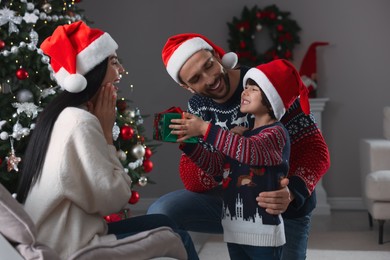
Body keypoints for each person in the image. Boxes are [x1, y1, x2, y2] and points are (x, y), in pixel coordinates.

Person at [16, 22, 198, 260]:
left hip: (63, 238)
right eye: (113, 62)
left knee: (162, 221)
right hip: (71, 248)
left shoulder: (63, 115)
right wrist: (105, 133)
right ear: (94, 71)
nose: (120, 70)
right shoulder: (80, 121)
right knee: (179, 238)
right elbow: (114, 199)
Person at [147, 33, 330, 260]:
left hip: (280, 208)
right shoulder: (198, 106)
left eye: (209, 65)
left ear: (216, 54)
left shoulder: (267, 83)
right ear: (187, 87)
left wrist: (292, 192)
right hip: (236, 202)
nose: (210, 78)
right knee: (161, 214)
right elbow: (195, 182)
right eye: (196, 79)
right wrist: (190, 144)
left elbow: (316, 150)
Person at [169, 59, 311, 259]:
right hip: (235, 229)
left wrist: (204, 129)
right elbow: (217, 167)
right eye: (246, 87)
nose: (244, 92)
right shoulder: (242, 136)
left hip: (263, 232)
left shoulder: (275, 134)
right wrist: (190, 145)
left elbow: (250, 151)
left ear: (272, 98)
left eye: (253, 89)